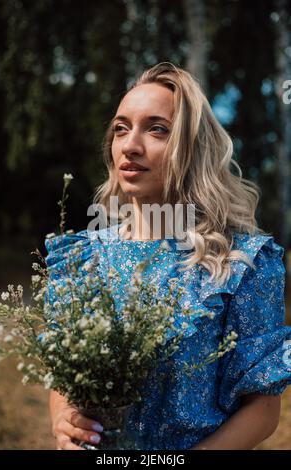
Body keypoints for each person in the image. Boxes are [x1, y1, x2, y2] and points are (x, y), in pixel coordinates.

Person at [45, 62, 291, 450]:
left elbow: (262, 408)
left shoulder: (242, 262)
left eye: (157, 129)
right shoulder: (83, 257)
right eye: (121, 129)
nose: (130, 145)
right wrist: (64, 419)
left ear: (194, 148)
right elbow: (63, 382)